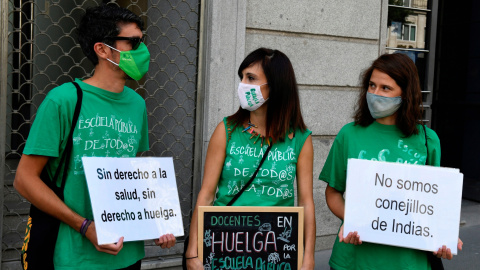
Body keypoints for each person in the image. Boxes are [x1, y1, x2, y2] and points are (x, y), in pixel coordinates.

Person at [14, 4, 175, 269]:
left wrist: (156, 221)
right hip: (73, 257)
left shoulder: (137, 104)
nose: (143, 51)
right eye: (133, 42)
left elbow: (128, 176)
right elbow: (24, 180)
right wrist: (86, 227)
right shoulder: (63, 100)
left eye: (142, 41)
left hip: (127, 255)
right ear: (102, 49)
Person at [319, 53, 463, 270]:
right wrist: (353, 219)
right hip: (354, 260)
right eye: (372, 85)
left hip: (409, 262)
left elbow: (433, 204)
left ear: (406, 93)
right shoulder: (349, 135)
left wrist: (443, 236)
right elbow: (333, 192)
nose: (375, 93)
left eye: (385, 88)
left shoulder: (428, 140)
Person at [184, 48, 316, 269]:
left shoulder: (300, 139)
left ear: (275, 85)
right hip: (225, 246)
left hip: (276, 249)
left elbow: (305, 202)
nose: (242, 84)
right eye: (242, 77)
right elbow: (206, 194)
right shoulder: (226, 130)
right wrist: (192, 251)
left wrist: (308, 255)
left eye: (251, 78)